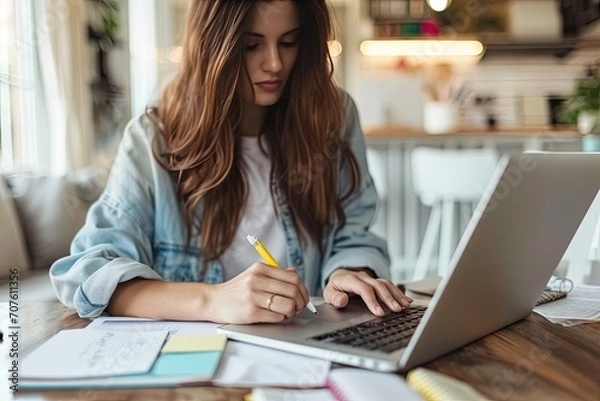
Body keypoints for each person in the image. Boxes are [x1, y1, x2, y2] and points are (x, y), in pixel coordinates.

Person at [50, 0, 412, 324]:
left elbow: (352, 233)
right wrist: (212, 300)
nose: (274, 63)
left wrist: (348, 271)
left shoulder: (331, 116)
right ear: (213, 47)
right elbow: (88, 275)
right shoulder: (153, 139)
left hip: (304, 351)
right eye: (250, 45)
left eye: (289, 41)